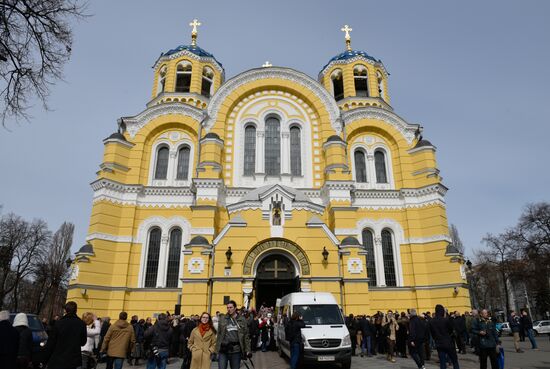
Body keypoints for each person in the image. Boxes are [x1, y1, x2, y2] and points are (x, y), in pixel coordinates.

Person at [44, 301, 88, 369]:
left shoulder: (58, 323)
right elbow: (83, 342)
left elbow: (51, 343)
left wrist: (45, 359)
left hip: (58, 358)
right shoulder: (81, 324)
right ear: (76, 310)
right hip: (73, 359)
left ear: (65, 310)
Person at [215, 300, 252, 369]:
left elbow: (246, 336)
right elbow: (219, 335)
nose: (229, 309)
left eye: (231, 307)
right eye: (228, 308)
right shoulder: (223, 318)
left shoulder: (242, 319)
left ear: (235, 308)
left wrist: (248, 350)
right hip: (224, 349)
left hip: (236, 350)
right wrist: (216, 350)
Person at [428, 304, 460, 369]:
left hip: (439, 343)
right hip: (449, 342)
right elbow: (451, 330)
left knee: (442, 363)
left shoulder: (431, 321)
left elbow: (432, 333)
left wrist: (436, 338)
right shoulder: (446, 320)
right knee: (454, 361)